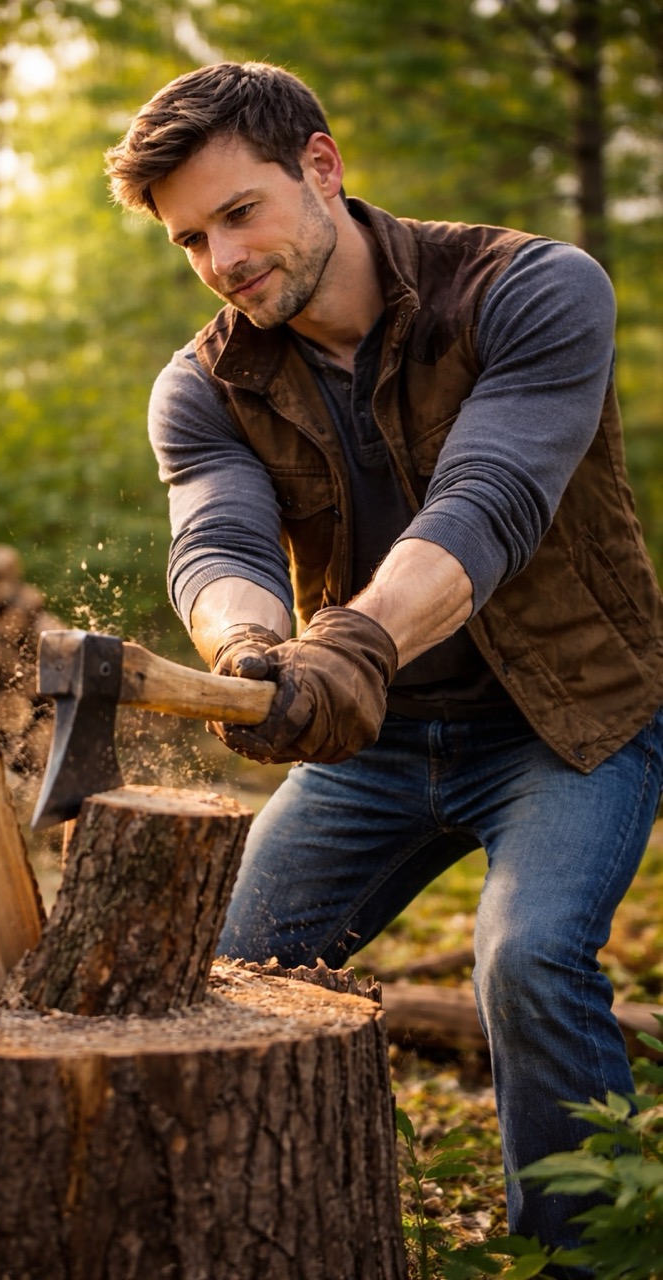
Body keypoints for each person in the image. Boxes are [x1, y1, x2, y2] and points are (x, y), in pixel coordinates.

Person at [105, 61, 663, 1273]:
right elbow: (218, 538)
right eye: (190, 237)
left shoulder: (531, 289)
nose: (221, 259)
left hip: (563, 723)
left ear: (322, 165)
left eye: (239, 211)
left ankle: (579, 1257)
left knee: (527, 957)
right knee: (228, 977)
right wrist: (247, 651)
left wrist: (349, 639)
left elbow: (494, 496)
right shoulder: (205, 383)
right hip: (377, 742)